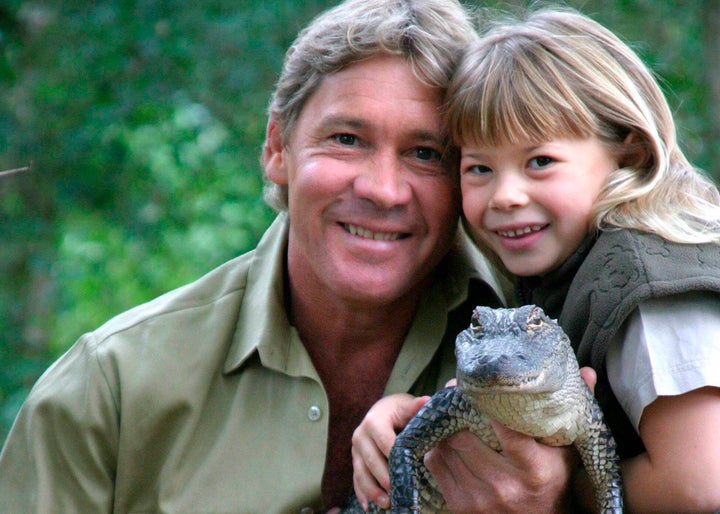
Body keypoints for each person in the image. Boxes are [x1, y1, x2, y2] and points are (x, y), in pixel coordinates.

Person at [0, 1, 580, 513]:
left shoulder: (553, 342)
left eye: (426, 153)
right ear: (278, 148)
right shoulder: (108, 391)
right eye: (347, 139)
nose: (383, 189)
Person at [352, 5, 720, 513]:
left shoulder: (650, 280)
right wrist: (411, 417)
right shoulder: (564, 267)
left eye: (539, 161)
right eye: (479, 167)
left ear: (629, 155)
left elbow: (700, 486)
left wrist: (556, 490)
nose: (504, 195)